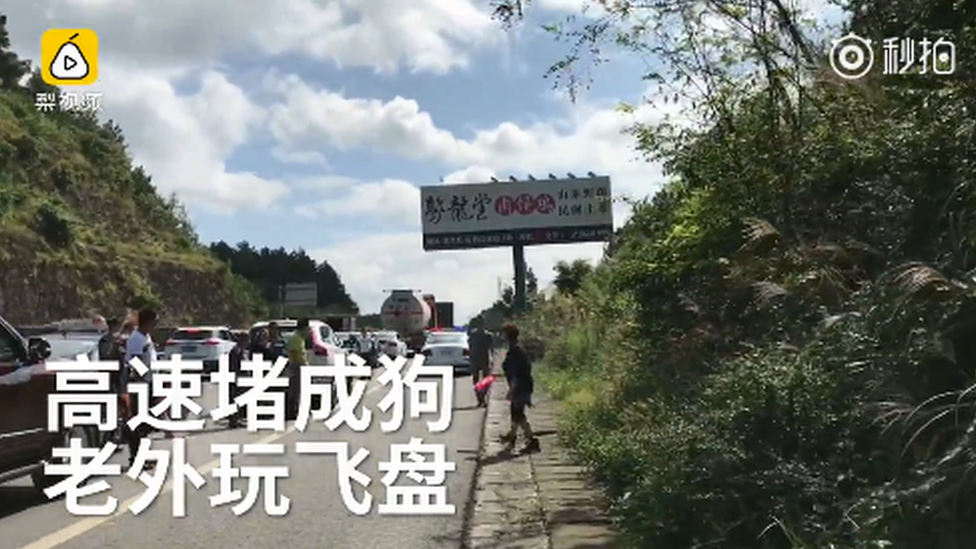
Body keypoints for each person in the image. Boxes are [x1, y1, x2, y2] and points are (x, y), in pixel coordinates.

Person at [122, 308, 159, 469]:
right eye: (154, 322)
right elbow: (135, 362)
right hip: (139, 384)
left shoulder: (145, 336)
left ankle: (143, 456)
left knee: (145, 424)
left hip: (147, 382)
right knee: (138, 423)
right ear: (147, 322)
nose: (156, 325)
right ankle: (136, 458)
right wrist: (143, 380)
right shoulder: (136, 339)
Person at [500, 323, 539, 453]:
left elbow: (516, 373)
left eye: (504, 333)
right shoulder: (517, 349)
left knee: (518, 414)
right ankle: (512, 437)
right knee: (515, 412)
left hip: (520, 386)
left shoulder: (515, 352)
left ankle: (532, 440)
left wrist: (512, 390)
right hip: (523, 384)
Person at [285, 318, 311, 419]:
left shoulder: (299, 338)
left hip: (300, 366)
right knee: (296, 390)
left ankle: (299, 410)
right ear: (303, 328)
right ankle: (293, 411)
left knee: (300, 390)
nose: (308, 331)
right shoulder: (295, 338)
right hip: (297, 367)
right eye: (307, 328)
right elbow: (294, 354)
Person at [468, 317, 494, 407]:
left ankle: (480, 398)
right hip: (484, 359)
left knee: (476, 380)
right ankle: (482, 397)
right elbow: (491, 349)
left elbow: (470, 348)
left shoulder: (473, 335)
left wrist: (470, 359)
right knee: (484, 380)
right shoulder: (488, 335)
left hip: (476, 359)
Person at [227, 331, 250, 429]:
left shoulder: (242, 349)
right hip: (237, 377)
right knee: (235, 399)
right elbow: (234, 366)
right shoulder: (236, 350)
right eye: (246, 339)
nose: (248, 341)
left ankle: (237, 419)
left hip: (242, 377)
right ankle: (233, 420)